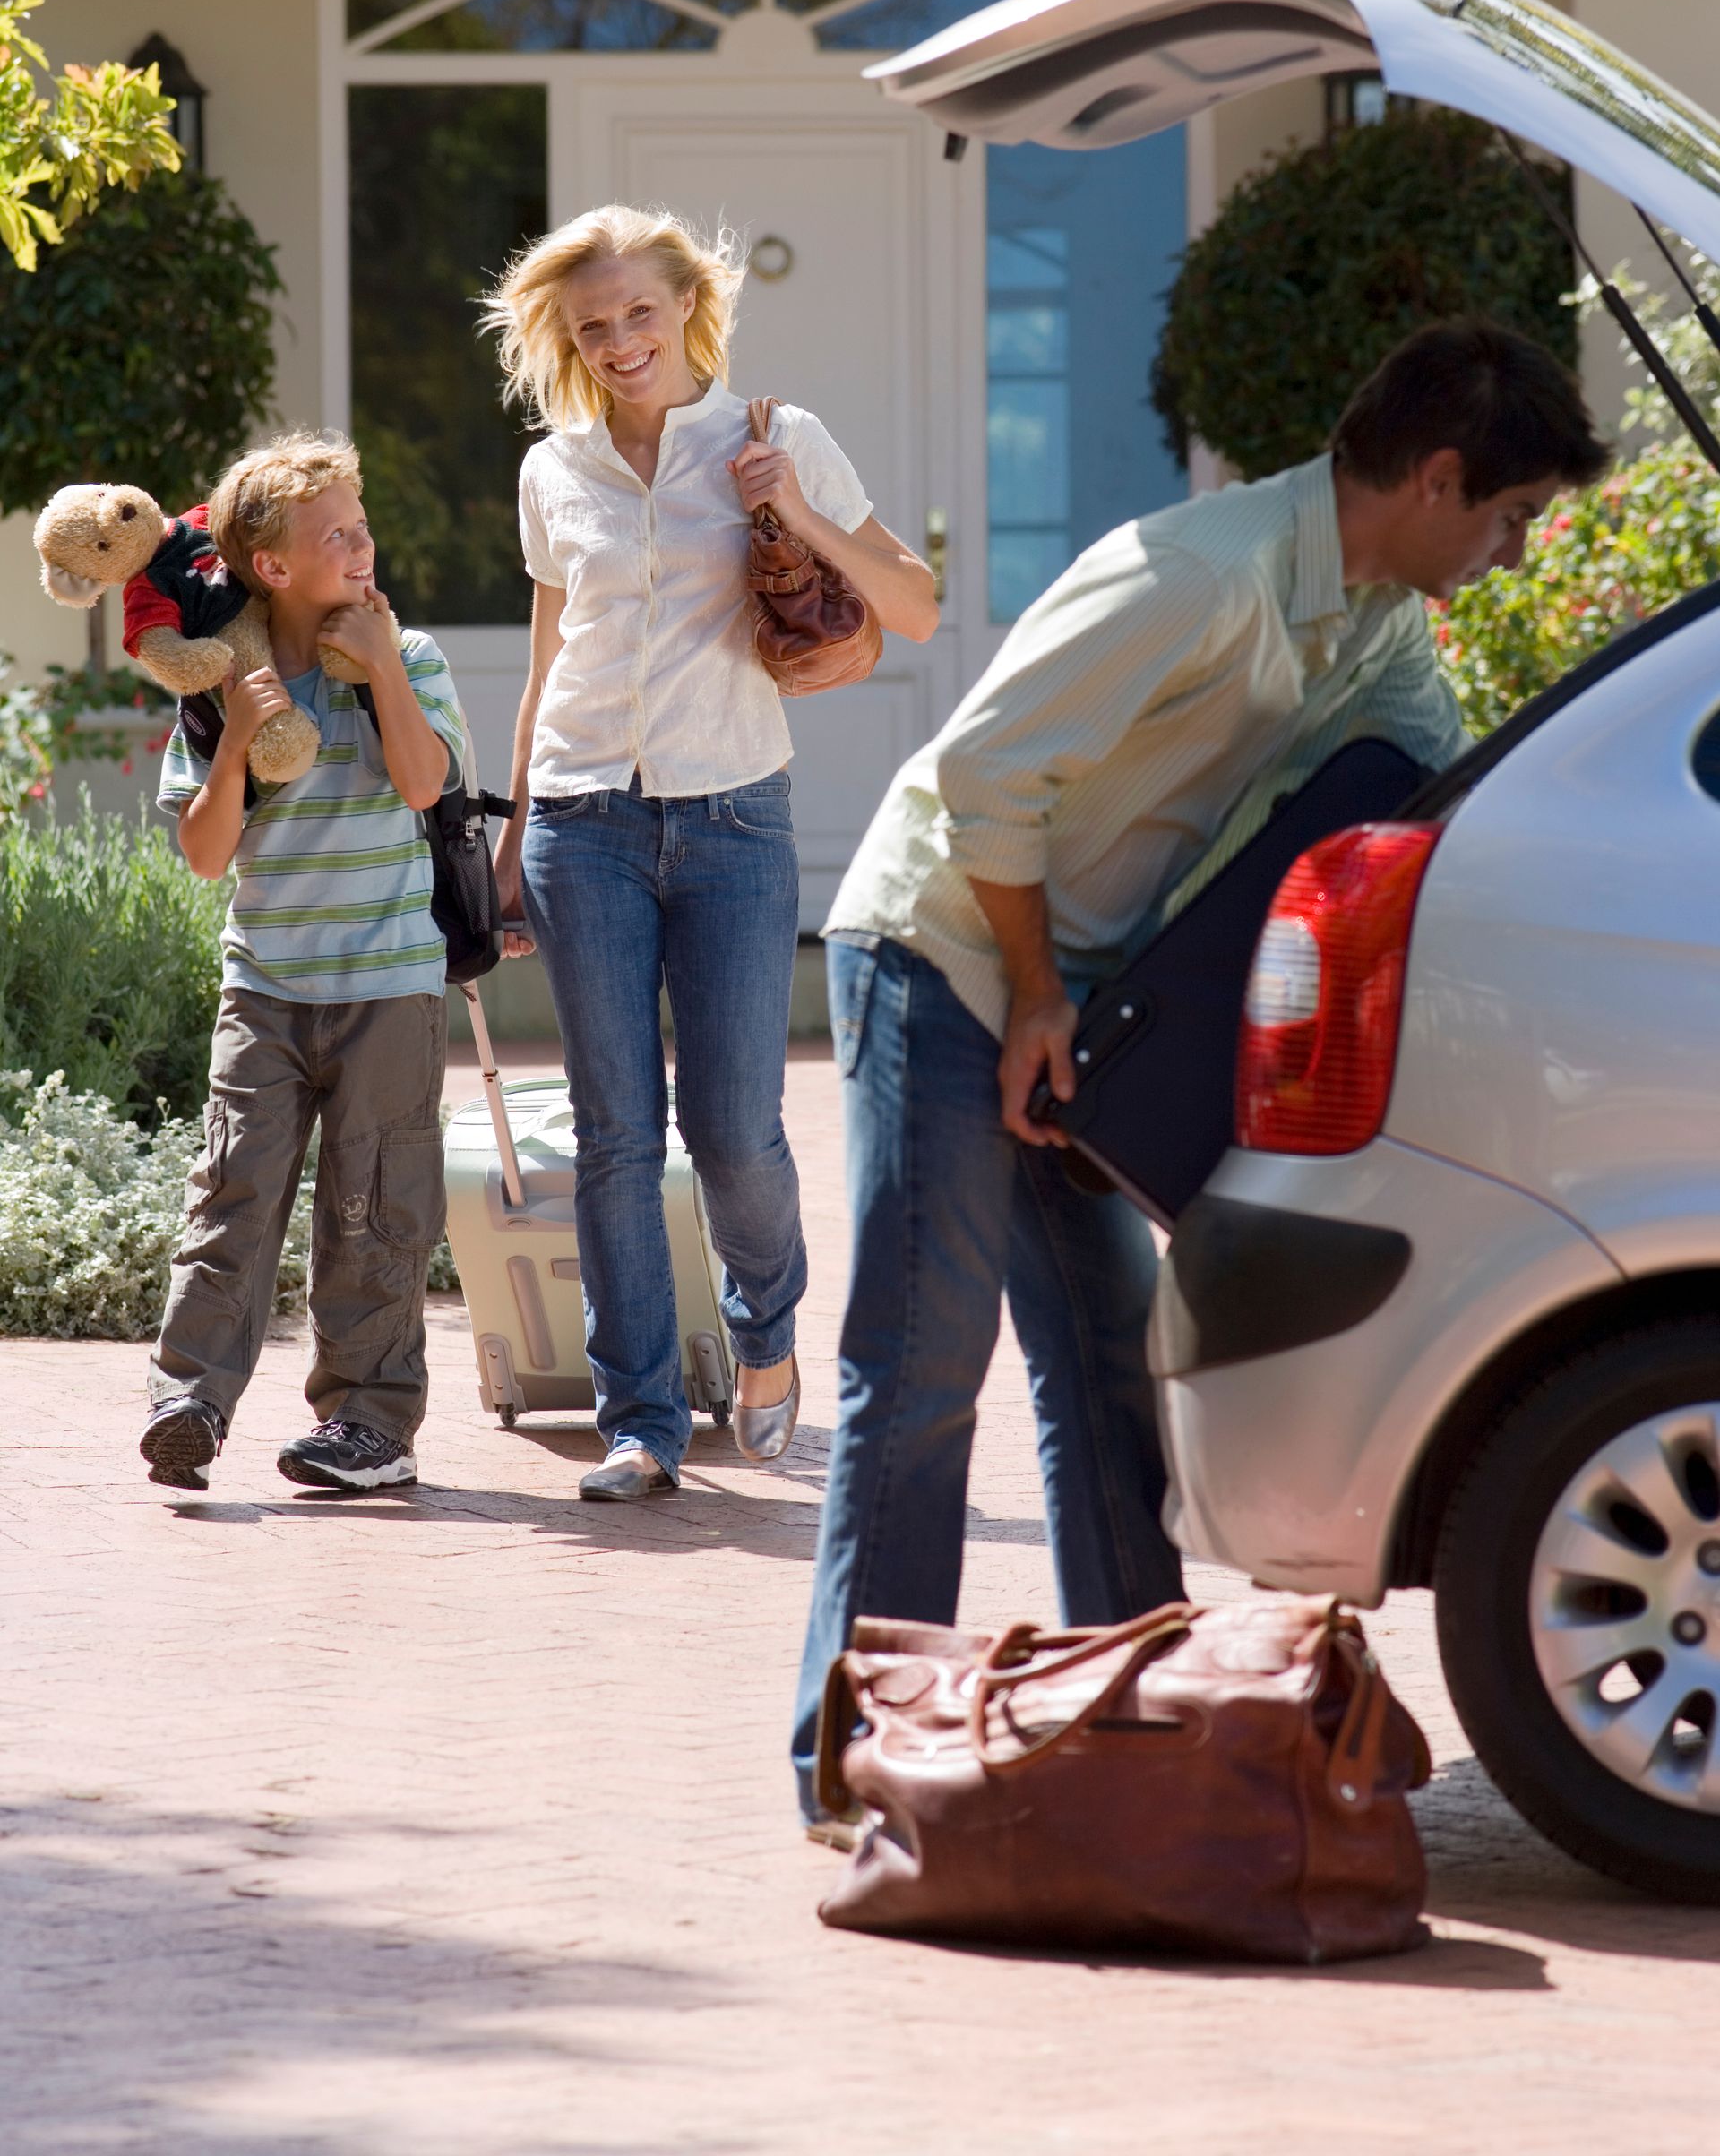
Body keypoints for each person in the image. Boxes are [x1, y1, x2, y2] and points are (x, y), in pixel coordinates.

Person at [792, 317, 1611, 1825]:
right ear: (1435, 480)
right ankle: (849, 1762)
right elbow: (984, 776)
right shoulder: (1200, 577)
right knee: (920, 1367)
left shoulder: (1373, 623)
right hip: (947, 952)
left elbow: (1452, 796)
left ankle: (1140, 1729)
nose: (1508, 551)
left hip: (1061, 993)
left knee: (1111, 1364)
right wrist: (1038, 997)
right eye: (1506, 518)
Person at [485, 204, 939, 1504]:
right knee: (616, 1132)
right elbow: (545, 662)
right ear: (564, 339)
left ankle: (766, 1323)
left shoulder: (772, 438)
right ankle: (640, 1419)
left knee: (734, 1130)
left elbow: (911, 605)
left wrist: (791, 504)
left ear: (689, 305)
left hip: (734, 813)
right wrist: (517, 835)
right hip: (584, 819)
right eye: (592, 325)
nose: (621, 341)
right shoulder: (552, 470)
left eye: (640, 312)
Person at [138, 434, 466, 1497]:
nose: (364, 547)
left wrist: (379, 671)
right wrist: (235, 742)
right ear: (272, 569)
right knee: (233, 1195)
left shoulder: (408, 658)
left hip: (391, 991)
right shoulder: (223, 683)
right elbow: (203, 854)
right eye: (339, 536)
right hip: (266, 990)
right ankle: (188, 1400)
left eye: (363, 527)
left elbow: (426, 788)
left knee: (374, 1205)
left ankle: (371, 1423)